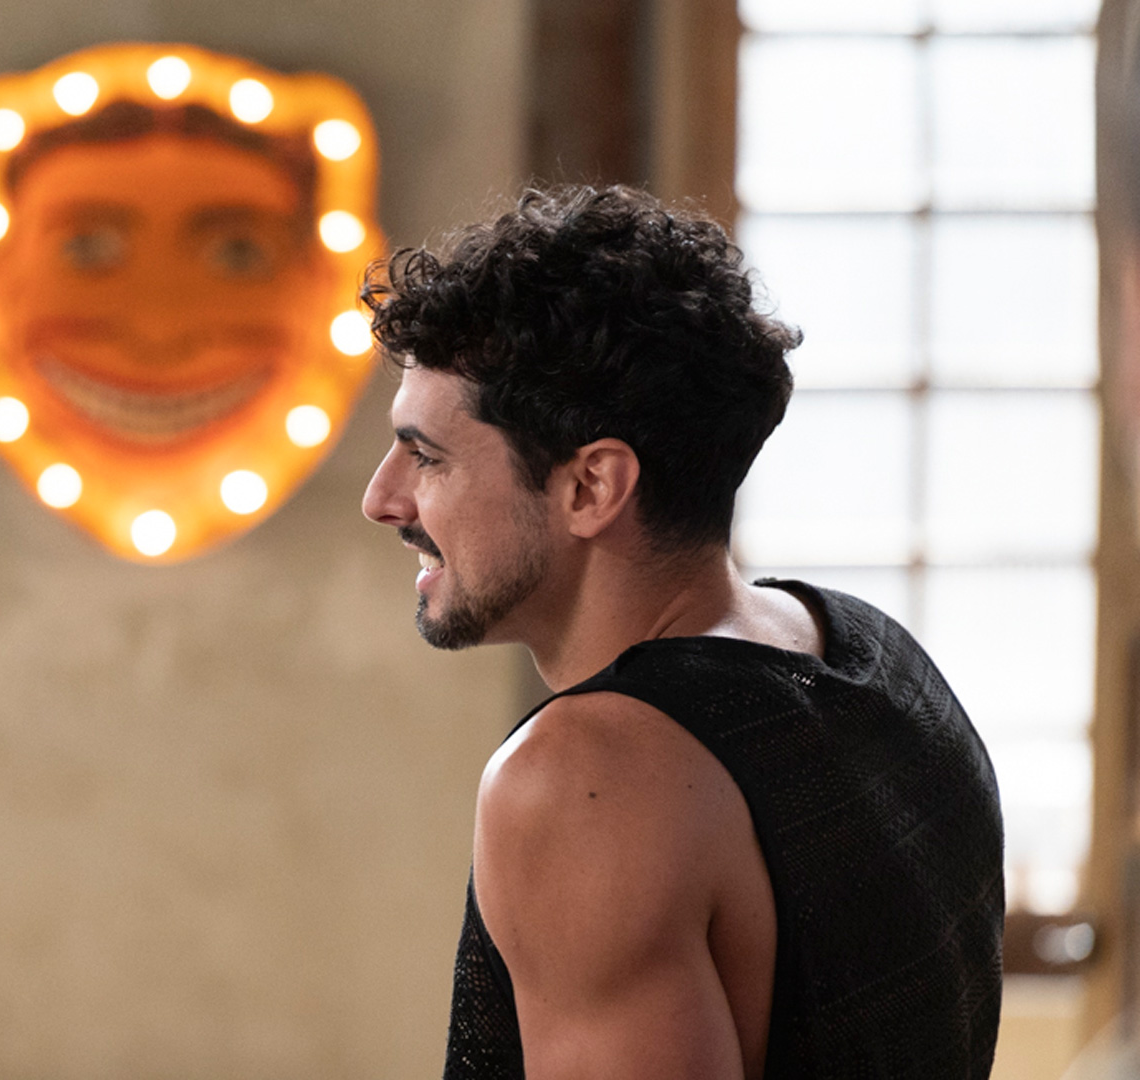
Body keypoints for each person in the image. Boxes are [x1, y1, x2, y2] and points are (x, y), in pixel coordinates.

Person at [359, 186, 1003, 1079]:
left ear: (591, 487)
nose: (382, 499)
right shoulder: (875, 653)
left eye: (426, 456)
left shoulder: (585, 782)